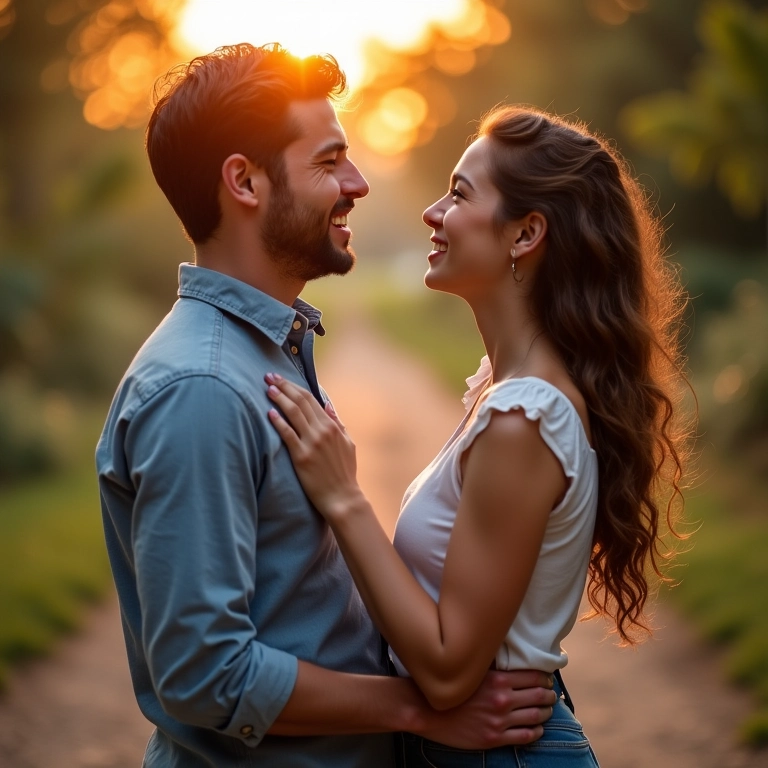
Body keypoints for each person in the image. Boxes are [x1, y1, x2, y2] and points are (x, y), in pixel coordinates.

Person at [95, 44, 557, 768]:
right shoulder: (203, 390)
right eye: (329, 161)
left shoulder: (268, 349)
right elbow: (203, 674)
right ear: (243, 182)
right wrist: (420, 710)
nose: (359, 183)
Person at [266, 105, 691, 766]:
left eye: (460, 194)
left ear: (526, 234)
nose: (433, 213)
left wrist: (344, 498)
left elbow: (446, 671)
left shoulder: (525, 416)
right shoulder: (505, 386)